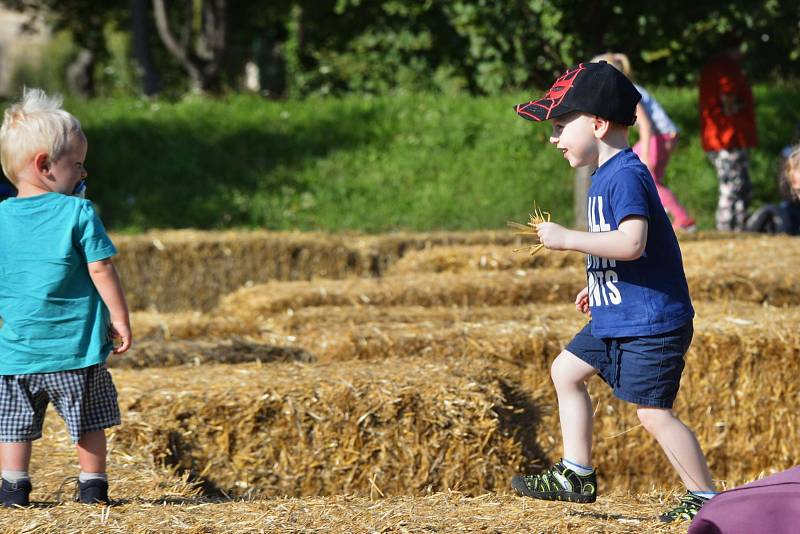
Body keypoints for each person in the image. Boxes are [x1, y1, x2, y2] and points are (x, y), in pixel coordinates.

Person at [511, 61, 716, 522]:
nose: (554, 137)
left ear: (598, 124)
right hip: (617, 313)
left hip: (650, 323)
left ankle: (704, 496)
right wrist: (597, 282)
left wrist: (566, 240)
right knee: (565, 371)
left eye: (561, 126)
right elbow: (620, 251)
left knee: (652, 413)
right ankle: (576, 474)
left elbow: (632, 242)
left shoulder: (625, 174)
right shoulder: (603, 177)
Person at [0, 88, 132, 507]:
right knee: (88, 420)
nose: (83, 172)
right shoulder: (79, 212)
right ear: (44, 165)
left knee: (13, 425)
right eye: (76, 164)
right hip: (75, 349)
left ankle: (13, 488)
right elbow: (101, 268)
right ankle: (92, 485)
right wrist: (121, 317)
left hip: (17, 352)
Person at [593, 53, 695, 231]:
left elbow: (646, 125)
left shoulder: (626, 90)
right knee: (651, 179)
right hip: (664, 135)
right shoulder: (627, 87)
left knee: (646, 176)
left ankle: (682, 219)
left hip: (659, 136)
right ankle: (662, 219)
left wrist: (646, 154)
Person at [699, 33, 758, 231]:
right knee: (732, 187)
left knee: (738, 185)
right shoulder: (726, 67)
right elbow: (728, 96)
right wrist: (736, 107)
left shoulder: (713, 65)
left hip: (719, 136)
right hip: (728, 136)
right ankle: (726, 229)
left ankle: (738, 228)